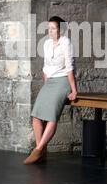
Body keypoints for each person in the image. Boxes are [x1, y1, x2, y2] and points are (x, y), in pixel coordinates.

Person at [23, 16, 78, 164]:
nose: (50, 31)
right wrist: (46, 84)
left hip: (63, 81)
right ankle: (43, 151)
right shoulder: (47, 43)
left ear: (61, 30)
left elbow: (69, 67)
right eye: (49, 28)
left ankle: (38, 150)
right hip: (50, 81)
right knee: (36, 116)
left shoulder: (66, 42)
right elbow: (46, 66)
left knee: (51, 117)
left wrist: (74, 90)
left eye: (53, 28)